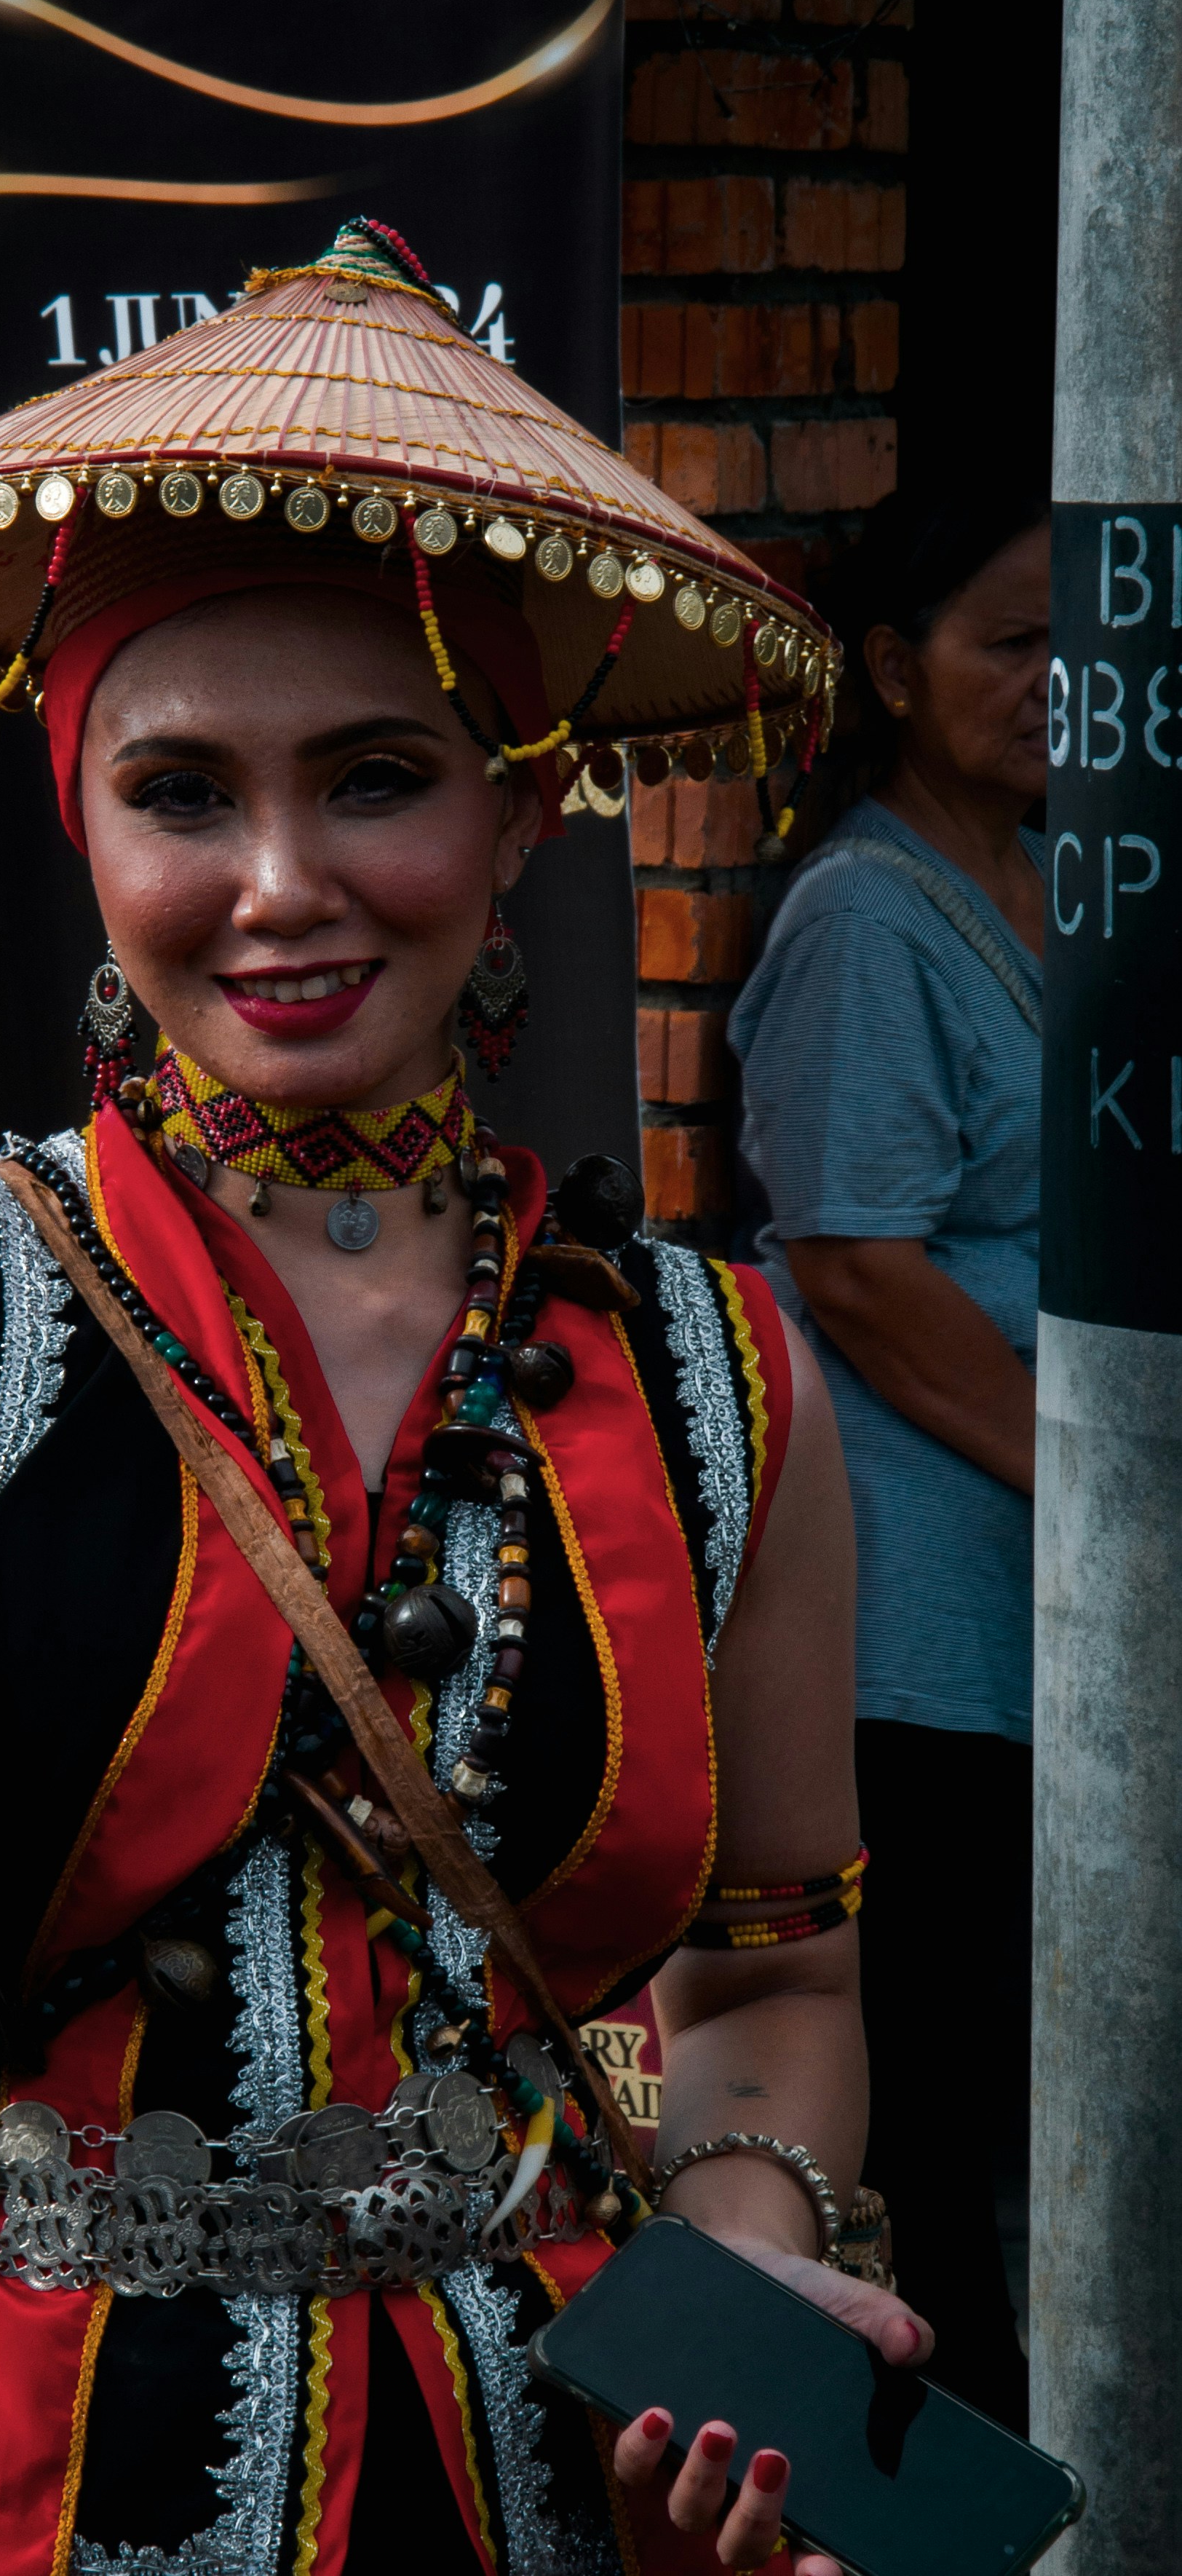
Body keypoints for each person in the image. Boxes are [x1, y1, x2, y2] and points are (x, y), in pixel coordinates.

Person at [0, 221, 928, 2576]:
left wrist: (749, 2235)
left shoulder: (725, 1376)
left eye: (375, 780)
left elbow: (775, 1971)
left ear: (524, 815)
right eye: (179, 793)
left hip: (541, 2483)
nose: (278, 883)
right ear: (83, 829)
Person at [729, 481, 1048, 2430]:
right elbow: (852, 1256)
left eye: (1088, 643)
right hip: (914, 1621)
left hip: (1016, 1621)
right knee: (926, 2119)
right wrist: (1101, 1500)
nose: (1059, 683)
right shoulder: (866, 912)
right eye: (1012, 641)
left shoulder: (1046, 879)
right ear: (892, 669)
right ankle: (951, 2483)